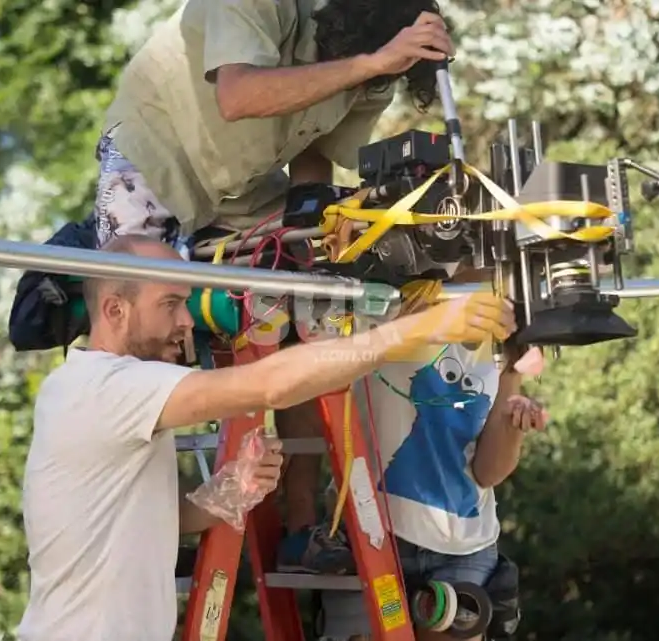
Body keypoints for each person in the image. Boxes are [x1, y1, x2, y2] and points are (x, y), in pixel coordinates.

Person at [90, 0, 456, 575]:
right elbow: (240, 96)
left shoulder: (376, 60)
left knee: (313, 307)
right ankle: (148, 521)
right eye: (377, 65)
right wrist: (371, 62)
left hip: (243, 190)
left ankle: (302, 528)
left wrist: (310, 226)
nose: (378, 81)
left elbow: (317, 145)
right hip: (155, 161)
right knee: (140, 333)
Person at [16, 236, 517, 641]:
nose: (188, 320)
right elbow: (267, 385)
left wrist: (229, 492)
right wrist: (409, 333)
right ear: (114, 310)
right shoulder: (102, 389)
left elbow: (156, 521)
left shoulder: (111, 397)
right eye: (171, 304)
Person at [317, 266, 550, 641]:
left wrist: (514, 427)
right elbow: (319, 376)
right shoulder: (400, 296)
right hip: (372, 533)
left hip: (463, 548)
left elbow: (488, 472)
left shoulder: (506, 334)